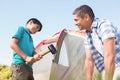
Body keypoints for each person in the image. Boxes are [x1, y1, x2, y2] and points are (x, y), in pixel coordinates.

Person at [73, 5, 120, 80]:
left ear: (86, 17)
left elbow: (109, 56)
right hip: (107, 69)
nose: (75, 23)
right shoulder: (88, 35)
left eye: (76, 20)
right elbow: (89, 60)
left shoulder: (104, 26)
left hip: (118, 66)